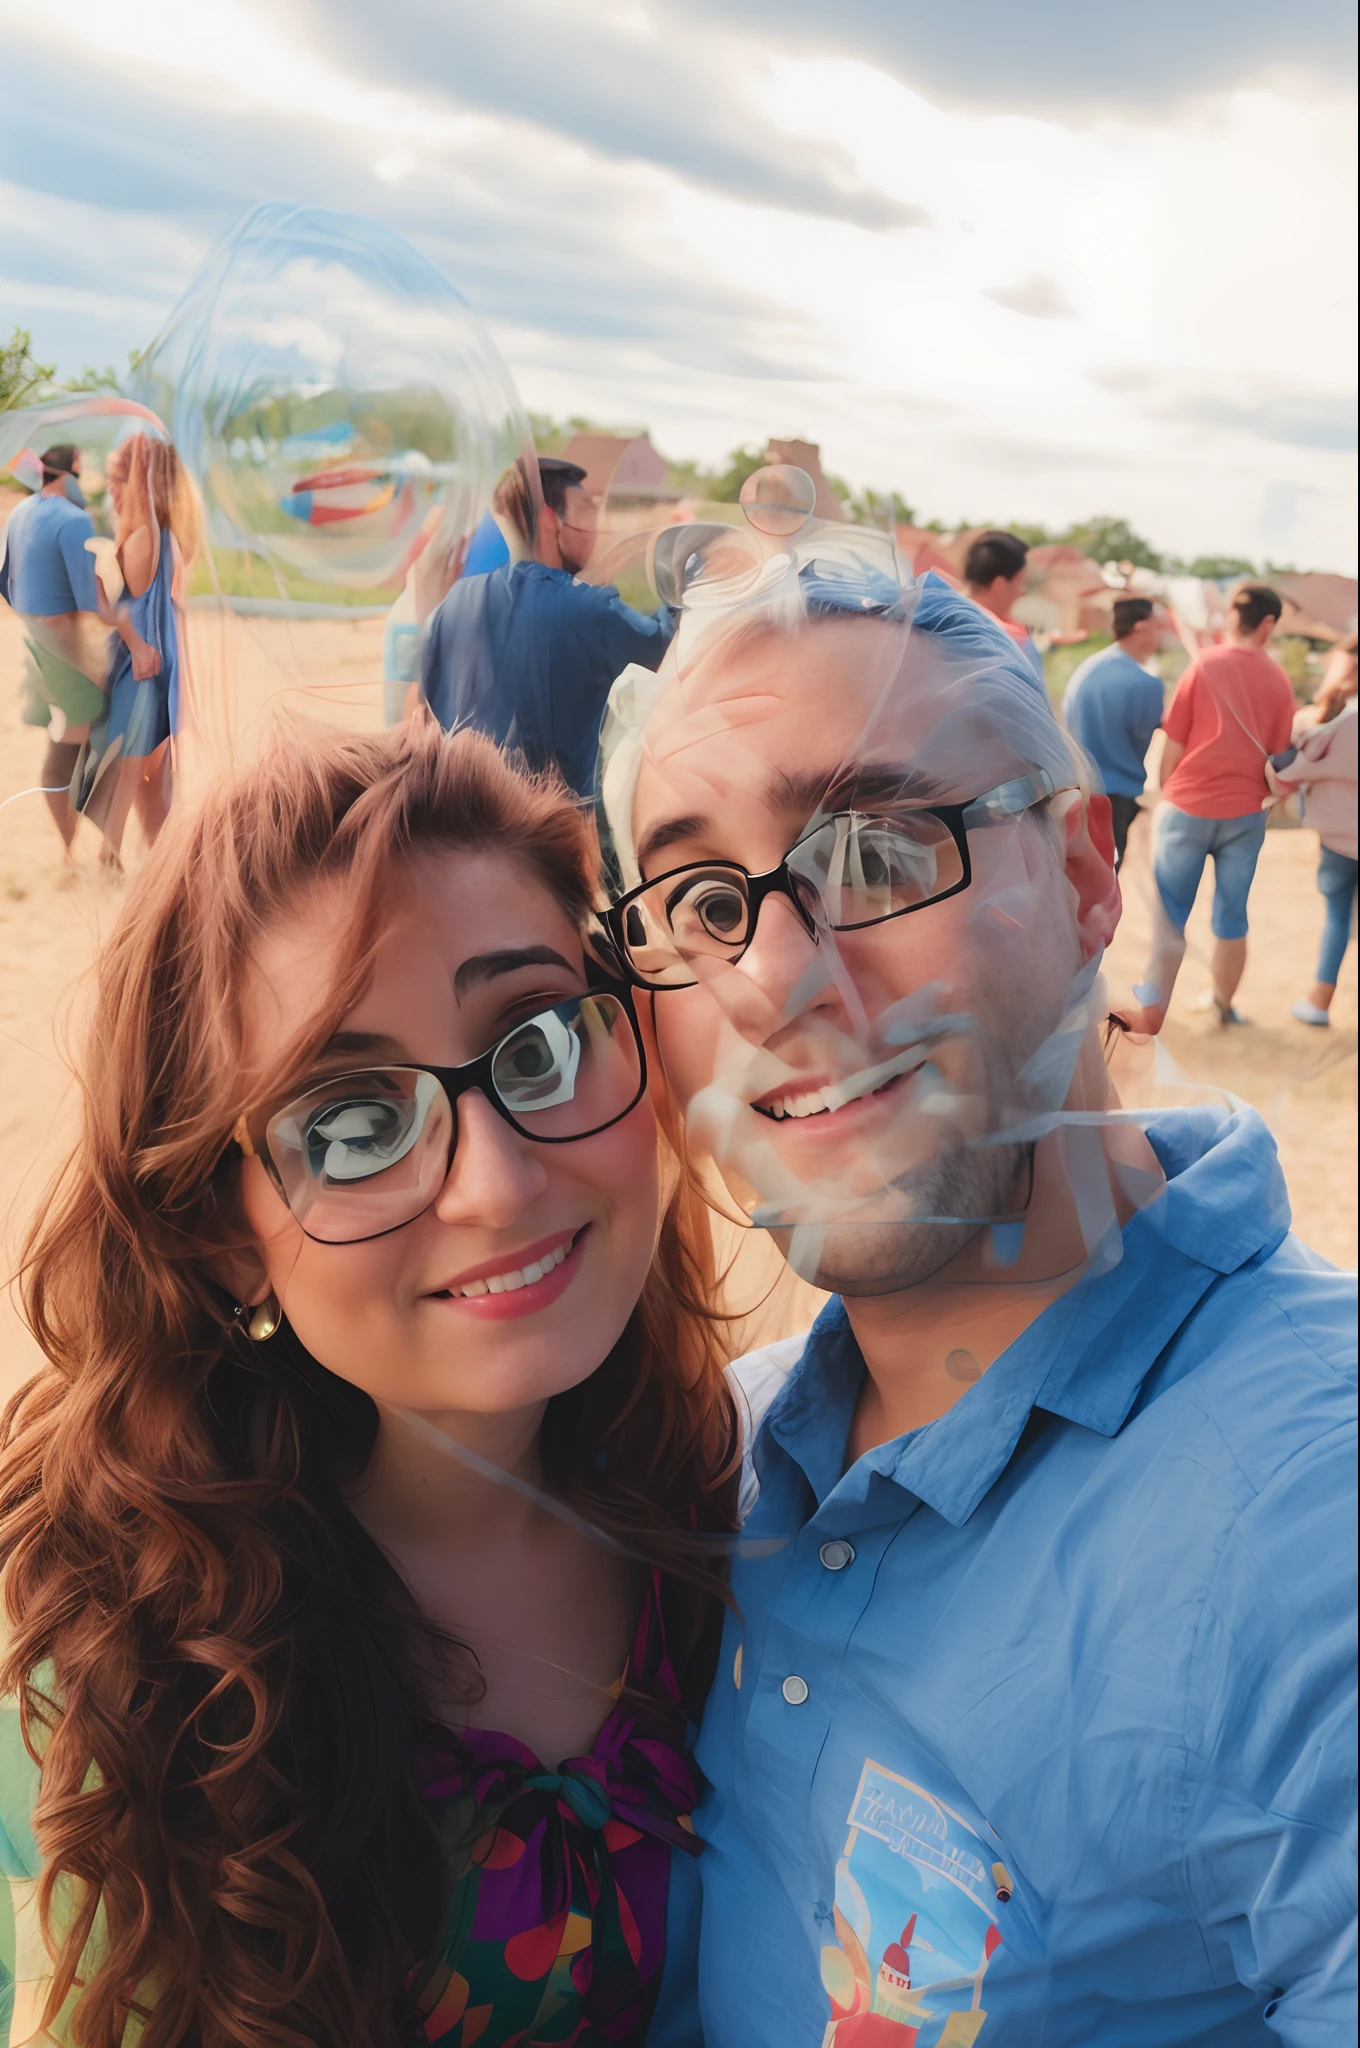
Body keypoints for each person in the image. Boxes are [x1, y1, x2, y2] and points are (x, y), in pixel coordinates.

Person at [599, 521, 1356, 2046]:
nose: (774, 980)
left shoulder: (1309, 1534)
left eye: (876, 855)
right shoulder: (731, 1453)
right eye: (700, 907)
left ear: (1087, 875)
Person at [0, 718, 737, 2043]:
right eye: (351, 1123)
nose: (498, 1185)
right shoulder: (107, 1674)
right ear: (223, 1237)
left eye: (541, 1042)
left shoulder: (748, 1503)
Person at [420, 455, 674, 799]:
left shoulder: (454, 602)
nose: (596, 525)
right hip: (557, 828)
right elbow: (662, 647)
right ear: (549, 521)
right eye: (586, 509)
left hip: (467, 813)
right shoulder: (587, 608)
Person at [1134, 581, 1295, 1029]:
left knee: (1170, 915)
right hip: (1245, 812)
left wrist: (1169, 790)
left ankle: (1153, 1011)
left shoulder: (1202, 666)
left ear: (1232, 617)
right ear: (1267, 624)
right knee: (1231, 914)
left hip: (1187, 806)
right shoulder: (1279, 680)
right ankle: (1224, 1007)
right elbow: (1279, 756)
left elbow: (1174, 743)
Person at [73, 432, 201, 856]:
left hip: (140, 661)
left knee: (130, 762)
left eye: (117, 481)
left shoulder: (141, 535)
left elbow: (125, 610)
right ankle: (157, 855)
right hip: (161, 658)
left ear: (138, 482)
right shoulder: (167, 534)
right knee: (152, 767)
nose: (111, 490)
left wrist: (94, 581)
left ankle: (110, 854)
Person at [0, 444, 108, 854]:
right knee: (85, 750)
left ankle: (72, 850)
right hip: (68, 649)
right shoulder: (75, 519)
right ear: (68, 475)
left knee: (63, 746)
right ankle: (87, 851)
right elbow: (88, 602)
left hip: (37, 646)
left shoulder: (21, 512)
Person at [1273, 635, 1358, 1026]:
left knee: (1338, 917)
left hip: (1342, 841)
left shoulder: (1339, 721)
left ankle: (1320, 1002)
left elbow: (1297, 766)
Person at [1060, 596, 1166, 866]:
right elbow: (1151, 732)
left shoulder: (1086, 670)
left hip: (1073, 789)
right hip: (1115, 797)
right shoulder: (1147, 684)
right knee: (1106, 880)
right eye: (1158, 627)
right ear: (1141, 628)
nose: (1161, 636)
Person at [963, 529, 1045, 689]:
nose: (1022, 593)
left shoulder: (936, 621)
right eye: (1021, 584)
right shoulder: (1012, 640)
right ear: (999, 584)